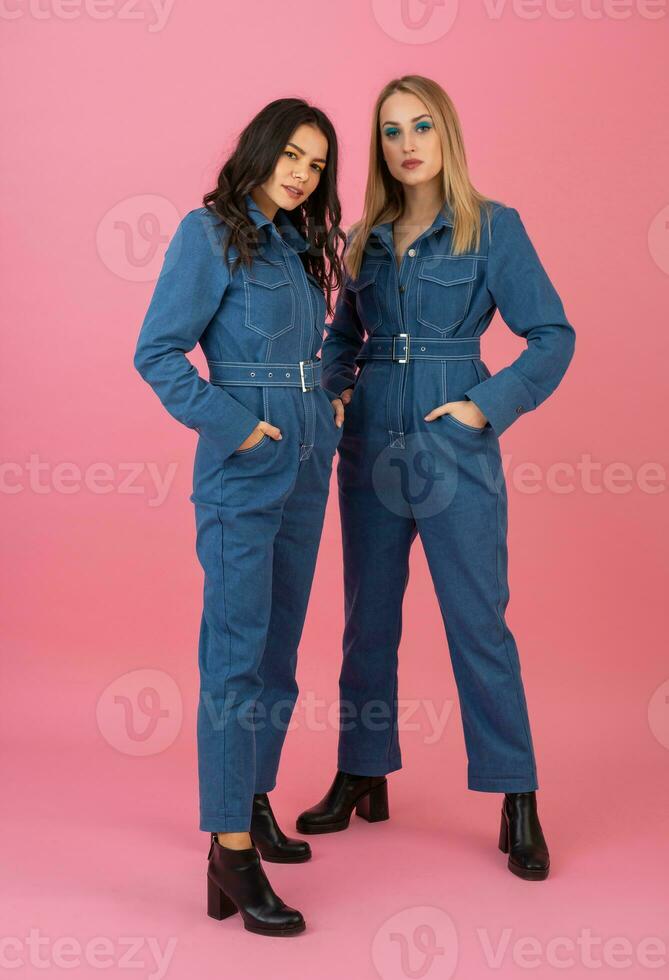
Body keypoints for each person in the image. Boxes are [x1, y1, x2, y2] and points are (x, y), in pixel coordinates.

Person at [297, 75, 575, 882]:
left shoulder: (493, 229)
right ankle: (362, 771)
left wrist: (485, 408)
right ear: (379, 145)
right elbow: (340, 336)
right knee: (367, 619)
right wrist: (334, 392)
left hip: (453, 438)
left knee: (477, 623)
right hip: (371, 437)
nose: (407, 143)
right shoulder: (362, 237)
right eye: (390, 131)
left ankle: (515, 793)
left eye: (420, 126)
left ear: (445, 134)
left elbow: (551, 336)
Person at [134, 98, 345, 934]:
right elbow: (157, 351)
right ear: (260, 150)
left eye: (317, 163)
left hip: (307, 462)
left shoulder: (295, 245)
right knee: (234, 657)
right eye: (291, 154)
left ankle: (252, 801)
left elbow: (311, 352)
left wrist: (329, 400)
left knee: (280, 650)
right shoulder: (209, 232)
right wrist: (238, 425)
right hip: (243, 468)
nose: (301, 172)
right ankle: (227, 849)